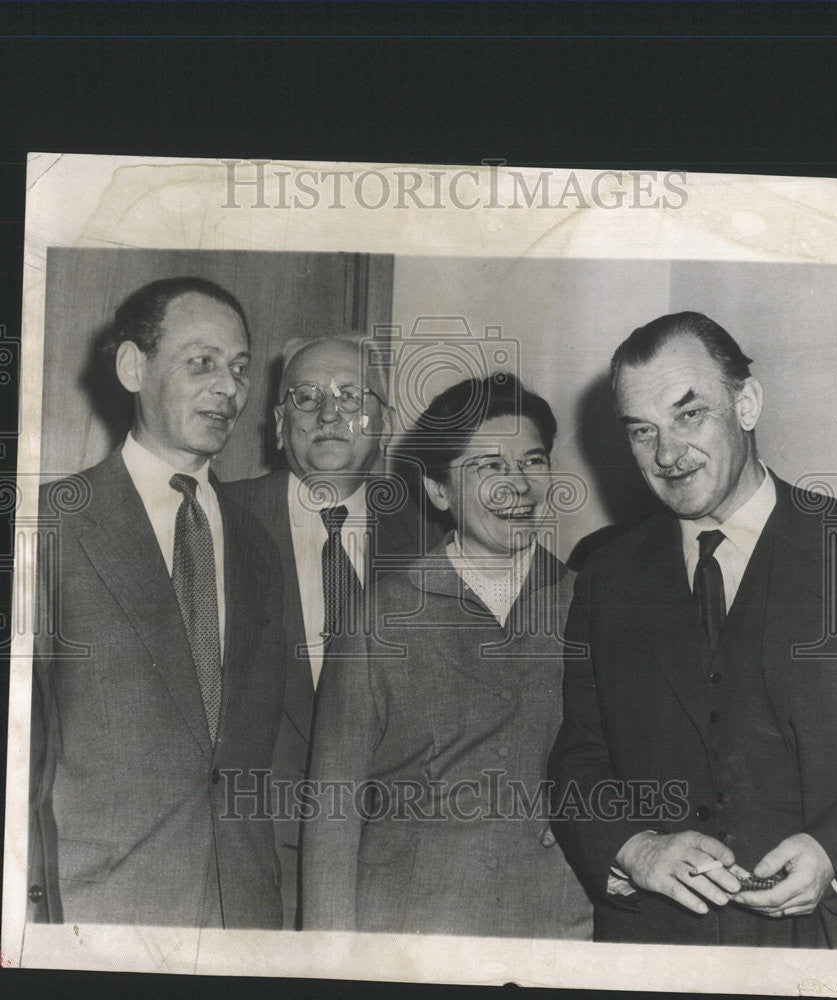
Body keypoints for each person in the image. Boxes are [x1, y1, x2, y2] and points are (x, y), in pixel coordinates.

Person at [548, 311, 837, 948]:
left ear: (746, 403)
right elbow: (578, 758)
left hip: (824, 945)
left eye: (688, 415)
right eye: (643, 431)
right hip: (655, 947)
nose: (667, 454)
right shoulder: (606, 576)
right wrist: (634, 849)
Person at [28, 277, 287, 928]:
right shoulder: (52, 525)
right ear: (132, 367)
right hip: (99, 905)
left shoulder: (257, 542)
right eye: (201, 361)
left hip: (242, 909)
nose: (227, 388)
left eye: (238, 368)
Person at [300, 372, 594, 938]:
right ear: (439, 492)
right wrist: (328, 963)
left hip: (558, 926)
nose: (518, 486)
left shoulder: (587, 603)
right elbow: (333, 812)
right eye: (487, 468)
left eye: (532, 462)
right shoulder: (377, 619)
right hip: (413, 927)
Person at [225, 335, 440, 927]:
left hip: (400, 875)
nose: (329, 413)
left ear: (384, 423)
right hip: (248, 870)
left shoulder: (436, 545)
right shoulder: (215, 521)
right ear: (277, 424)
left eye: (351, 396)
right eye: (306, 396)